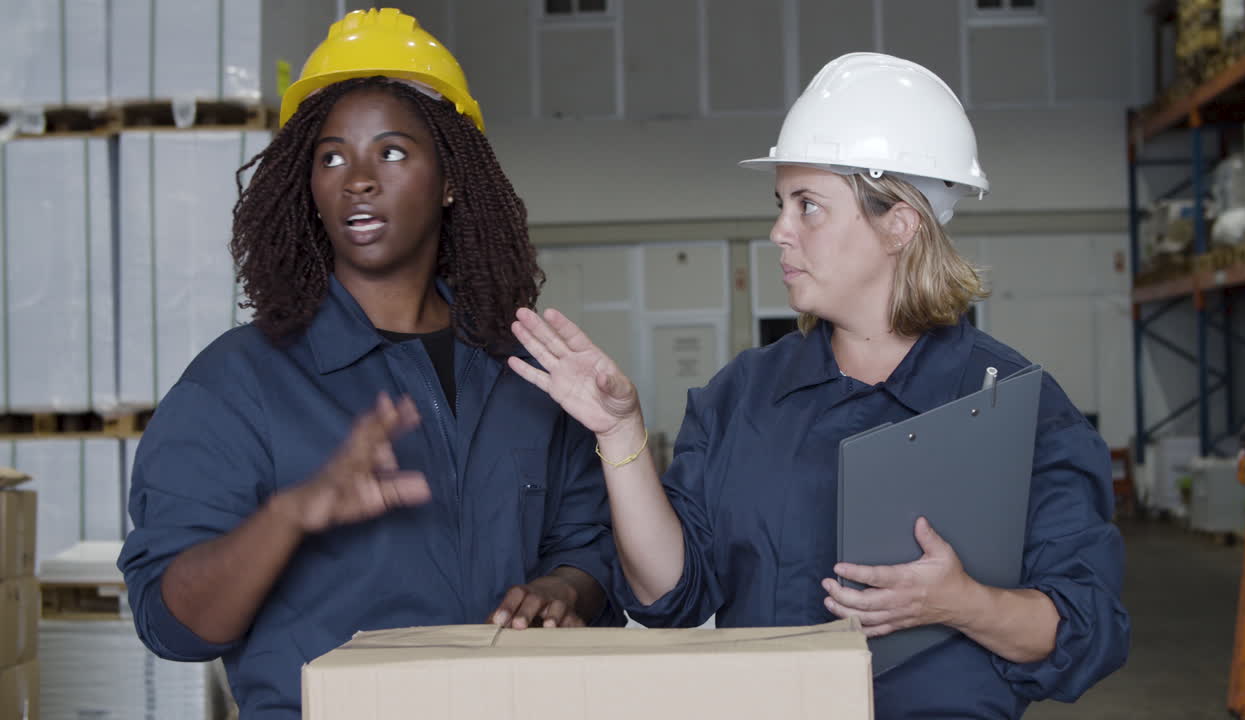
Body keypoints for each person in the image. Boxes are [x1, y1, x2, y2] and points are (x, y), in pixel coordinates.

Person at [508, 53, 1129, 717]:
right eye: (781, 205)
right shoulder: (744, 395)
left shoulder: (1014, 405)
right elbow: (670, 595)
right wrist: (620, 434)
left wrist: (960, 602)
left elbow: (1083, 629)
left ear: (899, 224)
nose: (779, 231)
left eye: (809, 207)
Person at [118, 9, 622, 718]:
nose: (357, 178)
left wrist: (567, 589)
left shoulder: (525, 374)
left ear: (450, 181)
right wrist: (290, 515)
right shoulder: (238, 384)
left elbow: (588, 542)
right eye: (331, 157)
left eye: (390, 152)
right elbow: (172, 625)